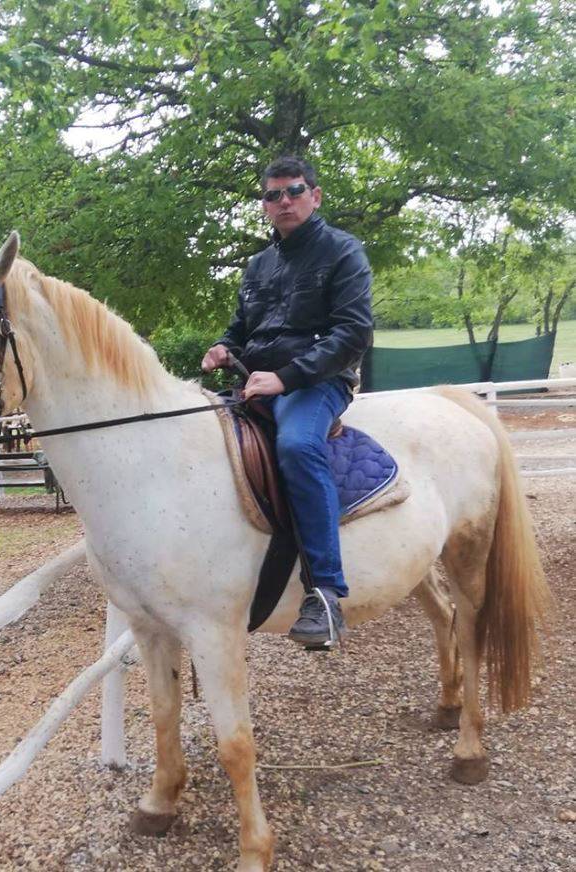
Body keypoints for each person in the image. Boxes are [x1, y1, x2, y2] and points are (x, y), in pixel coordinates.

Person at [202, 154, 373, 648]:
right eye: (273, 194)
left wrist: (287, 377)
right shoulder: (259, 264)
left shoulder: (344, 252)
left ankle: (324, 592)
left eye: (294, 191)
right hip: (255, 380)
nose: (283, 201)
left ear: (315, 196)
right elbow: (241, 330)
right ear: (264, 205)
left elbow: (353, 332)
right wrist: (224, 348)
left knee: (298, 446)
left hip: (317, 383)